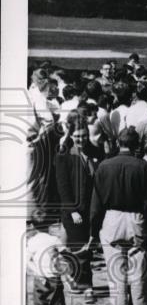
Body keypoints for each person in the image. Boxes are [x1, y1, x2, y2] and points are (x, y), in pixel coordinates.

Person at [89, 126, 147, 305]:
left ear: (118, 143)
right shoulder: (143, 166)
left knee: (116, 273)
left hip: (112, 218)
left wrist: (94, 230)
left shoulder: (104, 166)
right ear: (136, 145)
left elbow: (96, 203)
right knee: (139, 273)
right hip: (136, 218)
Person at [54, 116, 99, 295]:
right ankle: (87, 286)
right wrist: (72, 210)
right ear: (71, 135)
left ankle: (72, 276)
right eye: (78, 136)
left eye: (84, 135)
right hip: (73, 209)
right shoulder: (64, 155)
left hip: (91, 207)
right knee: (81, 249)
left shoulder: (94, 152)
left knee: (84, 247)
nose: (81, 139)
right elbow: (62, 186)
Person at [26, 209, 69, 305]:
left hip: (39, 278)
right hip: (53, 277)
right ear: (50, 225)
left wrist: (37, 272)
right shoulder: (54, 239)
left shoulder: (32, 241)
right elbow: (65, 254)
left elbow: (26, 260)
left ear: (33, 225)